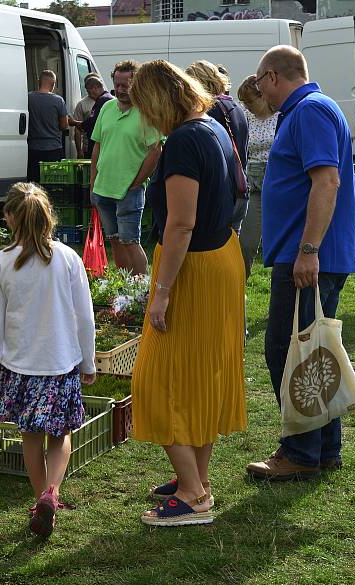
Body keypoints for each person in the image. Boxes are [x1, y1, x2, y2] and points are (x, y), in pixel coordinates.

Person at [128, 60, 247, 526]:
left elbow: (180, 223)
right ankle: (197, 479)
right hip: (221, 260)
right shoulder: (213, 126)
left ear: (157, 101)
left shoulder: (181, 141)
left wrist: (160, 292)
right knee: (202, 374)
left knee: (153, 383)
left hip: (192, 270)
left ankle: (194, 494)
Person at [246, 46, 355, 481]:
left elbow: (326, 181)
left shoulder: (309, 110)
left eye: (259, 83)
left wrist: (308, 249)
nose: (259, 92)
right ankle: (323, 448)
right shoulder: (312, 109)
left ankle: (300, 451)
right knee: (314, 352)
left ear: (273, 76)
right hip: (311, 255)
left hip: (310, 257)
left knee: (289, 352)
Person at [0, 183, 96, 538]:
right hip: (60, 364)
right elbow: (84, 317)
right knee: (60, 435)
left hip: (19, 368)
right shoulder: (69, 259)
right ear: (48, 218)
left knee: (31, 438)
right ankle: (52, 494)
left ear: (9, 218)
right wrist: (88, 361)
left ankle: (39, 497)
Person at [89, 60, 162, 276]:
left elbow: (155, 151)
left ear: (137, 84)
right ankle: (123, 286)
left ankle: (140, 290)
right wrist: (93, 181)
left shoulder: (146, 112)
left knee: (130, 241)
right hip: (103, 188)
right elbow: (97, 146)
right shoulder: (107, 107)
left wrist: (137, 182)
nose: (120, 90)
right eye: (117, 85)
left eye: (125, 86)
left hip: (129, 190)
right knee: (114, 240)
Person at [186, 60, 250, 233]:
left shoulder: (210, 111)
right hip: (240, 189)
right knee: (232, 252)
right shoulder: (237, 107)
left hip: (221, 195)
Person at [236, 74, 278, 278]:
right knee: (246, 241)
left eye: (250, 101)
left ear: (263, 97)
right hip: (251, 182)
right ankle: (238, 285)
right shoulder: (244, 115)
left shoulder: (281, 114)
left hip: (277, 182)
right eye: (244, 102)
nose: (247, 106)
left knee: (281, 244)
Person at [27, 70, 69, 183]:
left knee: (34, 182)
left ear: (38, 82)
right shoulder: (58, 100)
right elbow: (64, 125)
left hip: (33, 147)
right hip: (53, 148)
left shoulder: (28, 98)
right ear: (53, 84)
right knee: (52, 182)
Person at [68, 76, 113, 157]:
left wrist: (74, 122)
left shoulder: (102, 100)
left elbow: (92, 123)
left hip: (100, 145)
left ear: (95, 88)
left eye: (89, 92)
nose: (89, 96)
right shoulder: (109, 98)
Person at [73, 74, 99, 158]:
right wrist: (79, 151)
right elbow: (77, 130)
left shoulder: (108, 101)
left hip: (105, 147)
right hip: (88, 148)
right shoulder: (82, 104)